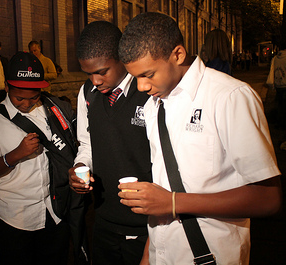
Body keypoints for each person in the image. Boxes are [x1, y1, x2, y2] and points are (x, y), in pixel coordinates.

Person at [118, 12, 282, 265]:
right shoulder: (154, 105)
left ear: (178, 54)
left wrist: (172, 202)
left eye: (148, 74)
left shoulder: (230, 97)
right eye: (135, 77)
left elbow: (267, 199)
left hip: (212, 256)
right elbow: (168, 180)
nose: (141, 87)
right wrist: (148, 255)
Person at [0, 52, 78, 265]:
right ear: (7, 88)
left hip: (54, 210)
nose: (26, 104)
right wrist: (15, 155)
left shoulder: (51, 109)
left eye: (33, 97)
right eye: (19, 98)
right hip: (16, 217)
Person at [69, 21, 152, 265]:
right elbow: (87, 143)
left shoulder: (149, 90)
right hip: (104, 218)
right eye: (88, 73)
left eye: (102, 71)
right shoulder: (86, 93)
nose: (95, 80)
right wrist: (79, 167)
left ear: (122, 59)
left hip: (148, 224)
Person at [266, 41, 286, 148]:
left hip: (278, 85)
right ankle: (283, 123)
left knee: (279, 104)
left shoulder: (276, 58)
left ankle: (279, 122)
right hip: (285, 85)